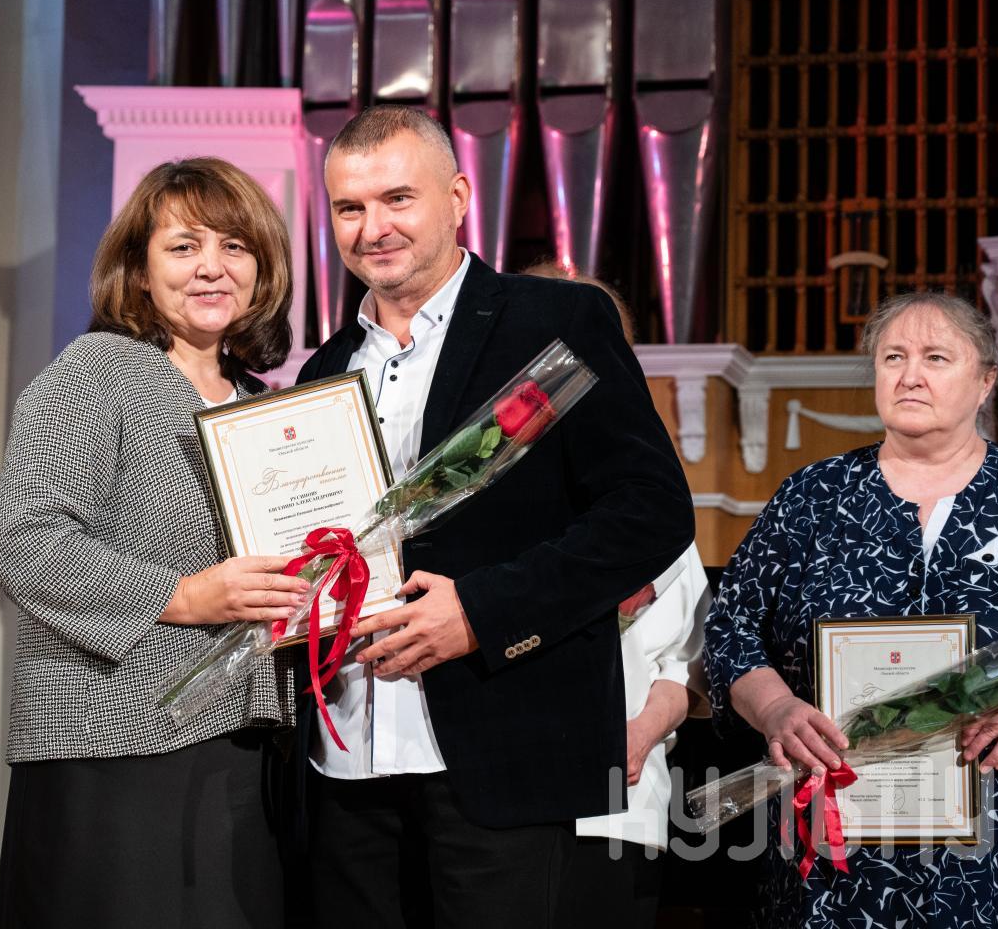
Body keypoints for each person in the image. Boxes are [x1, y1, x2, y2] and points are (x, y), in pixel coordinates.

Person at [294, 104, 696, 926]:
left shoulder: (552, 322)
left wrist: (482, 612)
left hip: (502, 752)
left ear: (457, 197)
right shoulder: (321, 370)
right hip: (344, 763)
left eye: (397, 199)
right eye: (348, 207)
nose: (373, 227)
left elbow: (650, 512)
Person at [704, 291, 998, 927]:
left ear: (985, 382)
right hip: (840, 857)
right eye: (893, 357)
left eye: (936, 358)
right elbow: (729, 628)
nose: (910, 375)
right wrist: (776, 707)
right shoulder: (810, 498)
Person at [0, 157, 310, 928]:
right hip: (112, 751)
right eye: (183, 246)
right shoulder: (94, 373)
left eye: (234, 246)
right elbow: (25, 539)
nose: (211, 266)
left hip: (242, 752)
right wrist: (185, 596)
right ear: (137, 270)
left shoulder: (266, 408)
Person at [518, 262, 712, 929]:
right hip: (490, 808)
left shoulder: (650, 502)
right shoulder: (474, 500)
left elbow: (688, 659)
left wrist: (636, 736)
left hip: (616, 802)